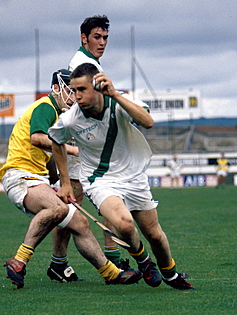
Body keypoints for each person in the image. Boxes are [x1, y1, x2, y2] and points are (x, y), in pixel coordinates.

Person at [48, 63, 195, 290]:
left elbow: (147, 122)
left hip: (134, 178)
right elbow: (56, 140)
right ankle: (144, 261)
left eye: (82, 89)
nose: (76, 96)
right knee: (124, 224)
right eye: (74, 90)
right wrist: (65, 182)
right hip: (100, 181)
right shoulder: (70, 119)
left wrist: (115, 94)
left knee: (155, 235)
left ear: (98, 87)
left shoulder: (119, 101)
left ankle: (170, 273)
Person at [0, 68, 142, 289]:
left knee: (81, 223)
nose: (73, 96)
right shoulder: (46, 107)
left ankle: (111, 273)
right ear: (56, 89)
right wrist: (73, 151)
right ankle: (19, 261)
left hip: (36, 178)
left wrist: (56, 179)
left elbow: (44, 154)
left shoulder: (58, 117)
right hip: (20, 176)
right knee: (58, 209)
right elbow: (37, 139)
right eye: (69, 90)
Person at [52, 14, 125, 277]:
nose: (103, 42)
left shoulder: (90, 61)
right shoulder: (84, 63)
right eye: (97, 37)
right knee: (77, 202)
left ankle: (59, 264)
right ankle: (60, 263)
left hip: (85, 140)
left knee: (84, 200)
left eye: (105, 37)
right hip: (82, 139)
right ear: (84, 38)